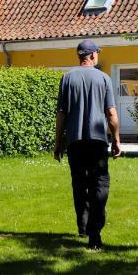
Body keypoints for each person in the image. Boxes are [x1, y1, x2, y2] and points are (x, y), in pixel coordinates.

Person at [54, 39, 122, 250]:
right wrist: (117, 140)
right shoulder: (103, 79)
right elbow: (111, 114)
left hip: (75, 142)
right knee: (99, 184)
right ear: (92, 55)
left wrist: (58, 143)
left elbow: (61, 115)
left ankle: (83, 226)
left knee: (79, 184)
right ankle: (95, 232)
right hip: (97, 142)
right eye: (97, 53)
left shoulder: (67, 78)